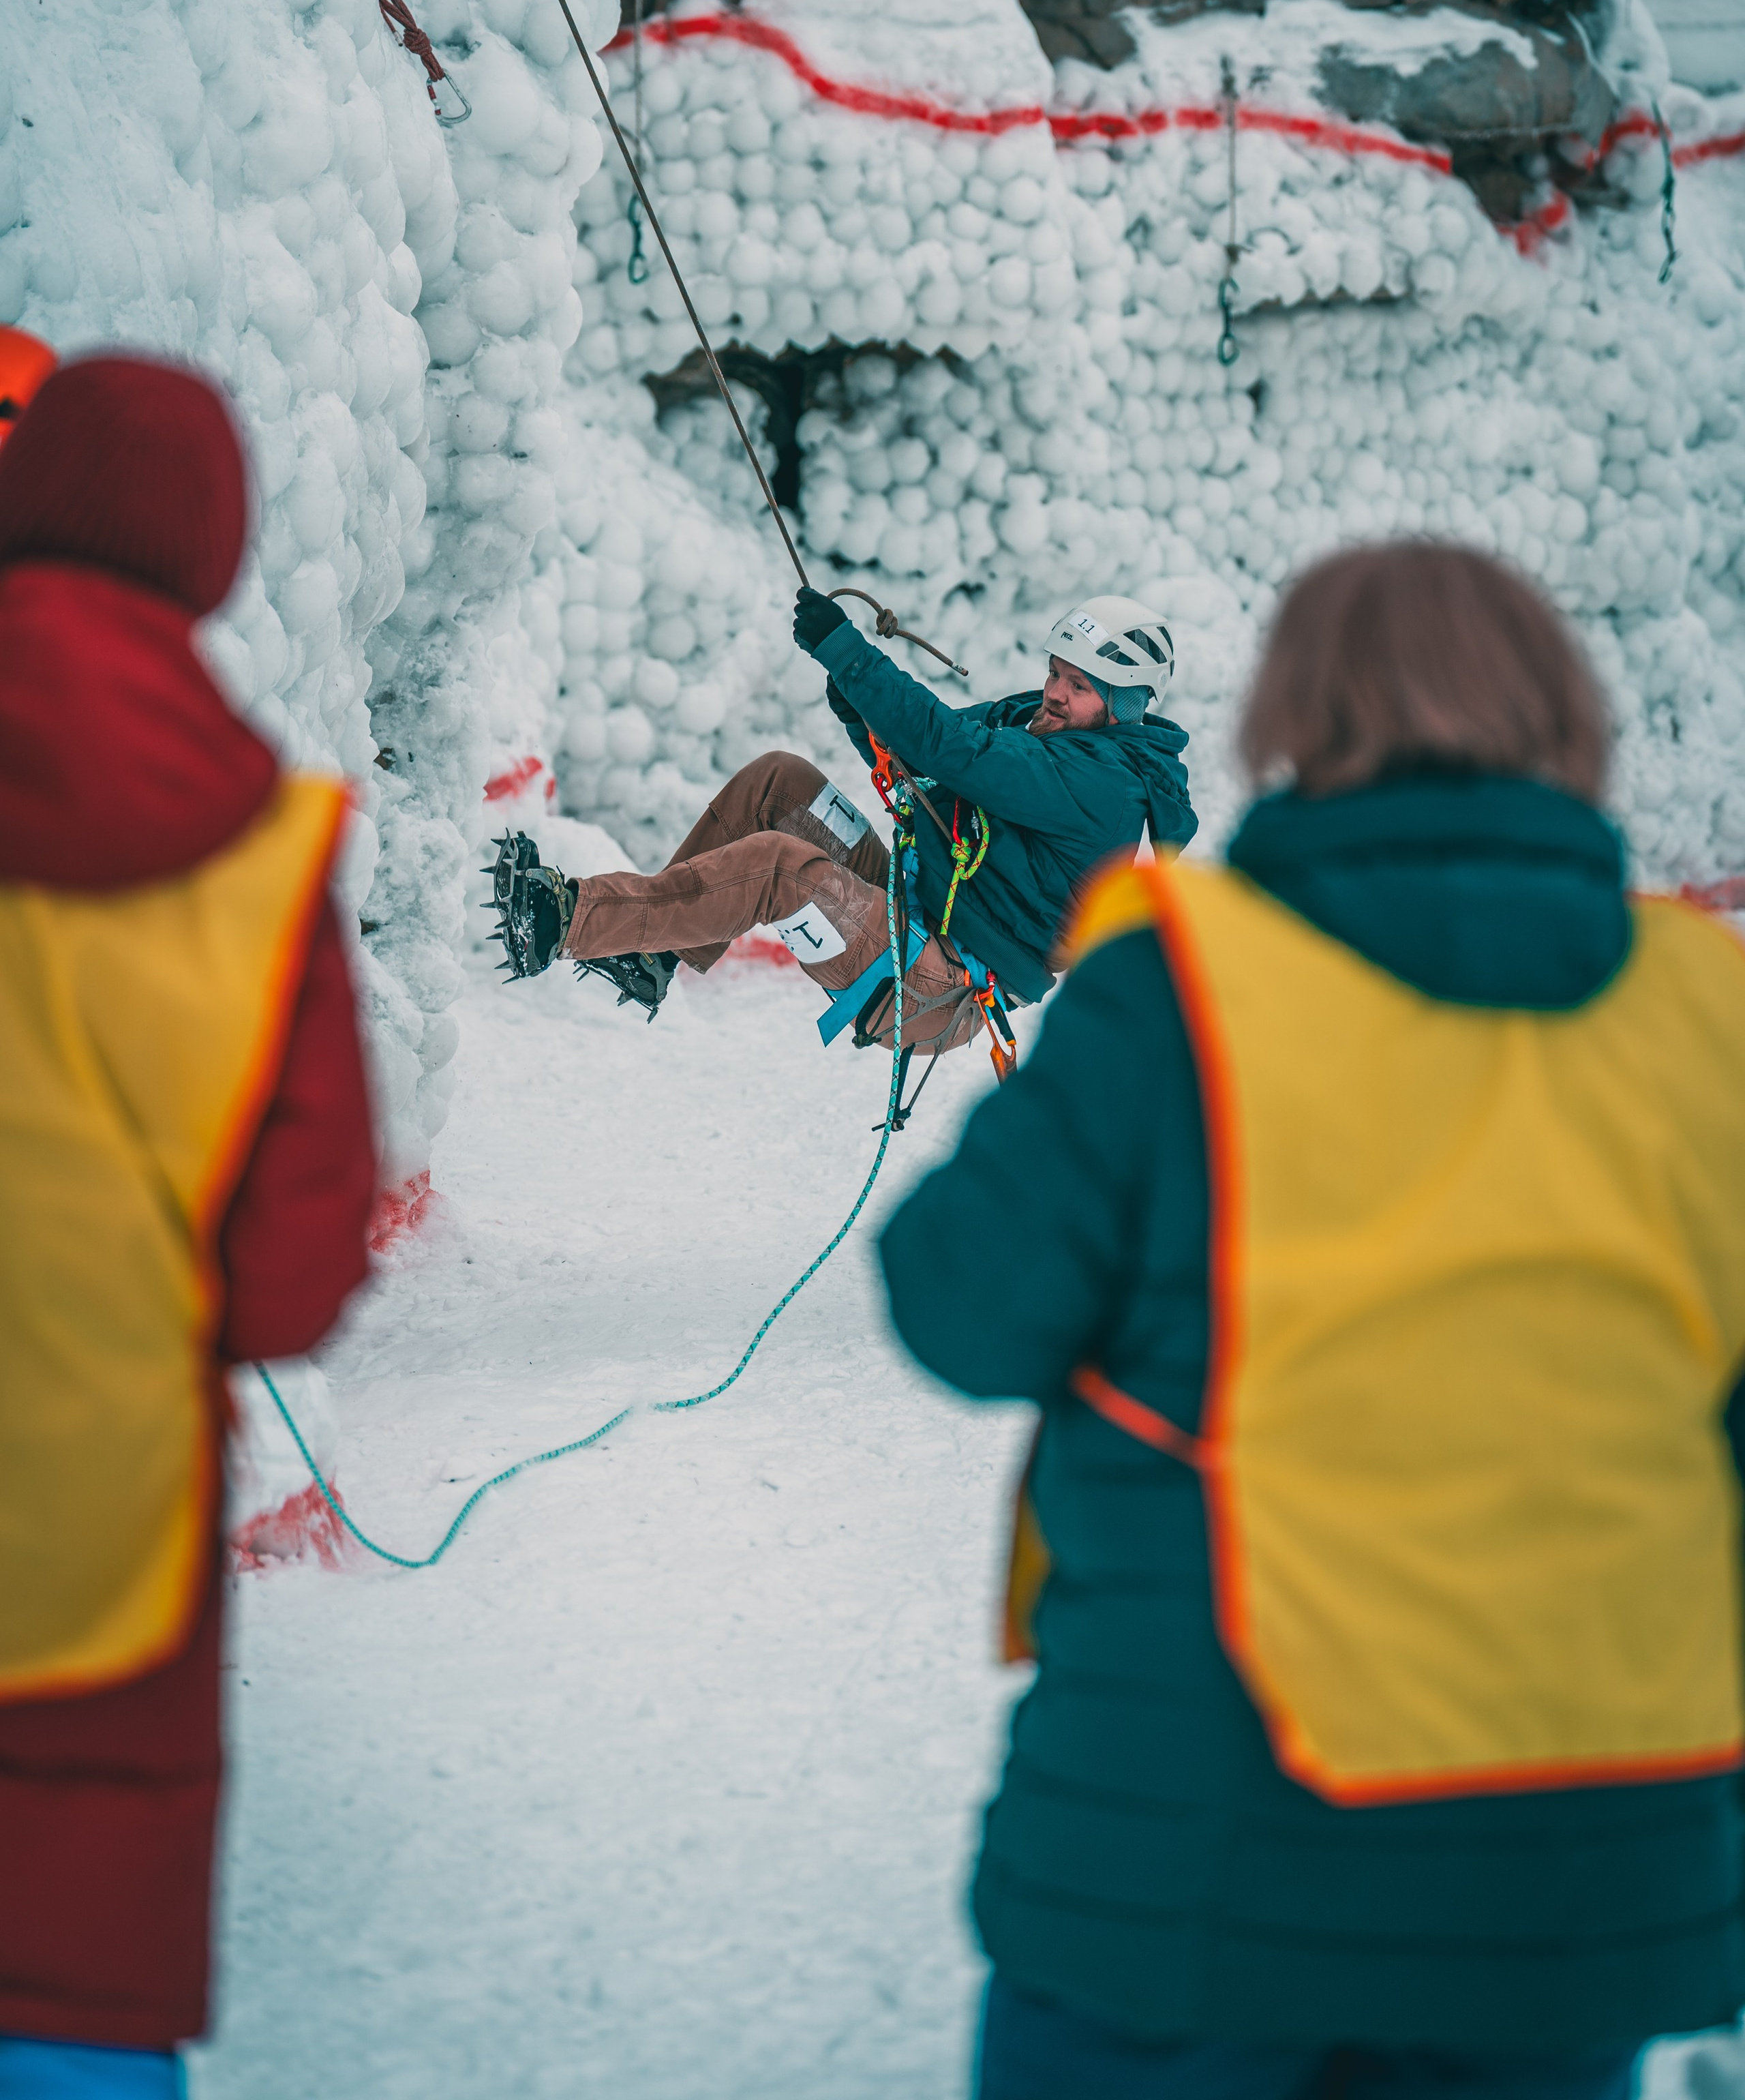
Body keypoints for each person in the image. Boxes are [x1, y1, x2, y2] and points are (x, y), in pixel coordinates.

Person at [878, 540, 1745, 2100]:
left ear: (1293, 717)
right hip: (1576, 1869)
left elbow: (955, 1306)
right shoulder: (1709, 1014)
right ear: (1565, 717)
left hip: (1184, 1852)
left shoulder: (1177, 984)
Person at [0, 356, 376, 2098]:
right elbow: (296, 1272)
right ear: (216, 552)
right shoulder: (256, 859)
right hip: (93, 1519)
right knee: (62, 1972)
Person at [496, 587, 1196, 1071]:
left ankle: (567, 921)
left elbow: (956, 749)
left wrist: (849, 655)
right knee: (781, 782)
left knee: (779, 867)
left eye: (1079, 686)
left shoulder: (1103, 784)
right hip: (911, 904)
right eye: (1056, 671)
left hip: (932, 985)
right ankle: (646, 960)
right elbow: (929, 764)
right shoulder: (1035, 723)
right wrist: (858, 703)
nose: (1054, 691)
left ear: (1125, 705)